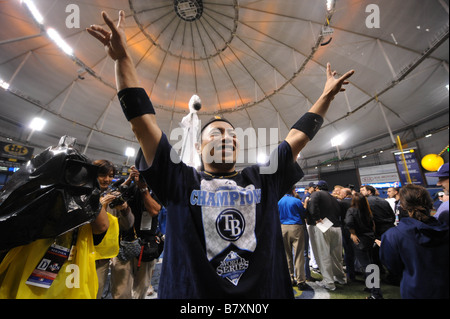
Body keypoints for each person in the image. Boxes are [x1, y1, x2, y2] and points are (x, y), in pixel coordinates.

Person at [87, 10, 354, 299]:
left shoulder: (261, 178)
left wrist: (326, 96)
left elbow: (297, 137)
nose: (225, 137)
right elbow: (142, 123)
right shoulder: (179, 179)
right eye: (215, 134)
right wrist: (123, 60)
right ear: (198, 147)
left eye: (231, 135)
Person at [0, 140, 119, 299]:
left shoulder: (29, 187)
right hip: (67, 263)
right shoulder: (83, 193)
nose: (107, 179)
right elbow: (102, 226)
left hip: (24, 260)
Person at [378, 184, 449, 299]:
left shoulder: (393, 235)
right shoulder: (444, 228)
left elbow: (393, 268)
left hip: (415, 290)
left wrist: (391, 246)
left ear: (403, 206)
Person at [94, 160, 135, 299]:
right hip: (82, 253)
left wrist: (124, 209)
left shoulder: (111, 197)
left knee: (96, 293)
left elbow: (128, 224)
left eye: (110, 175)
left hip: (102, 258)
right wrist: (100, 207)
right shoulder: (85, 195)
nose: (107, 179)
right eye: (102, 175)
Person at [120, 165, 163, 299]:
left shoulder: (157, 189)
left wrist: (143, 188)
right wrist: (129, 180)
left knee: (141, 290)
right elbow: (115, 196)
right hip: (125, 242)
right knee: (120, 290)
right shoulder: (130, 187)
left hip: (147, 245)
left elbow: (154, 211)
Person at [306, 180, 347, 291]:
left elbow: (312, 205)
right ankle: (341, 278)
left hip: (322, 225)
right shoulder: (333, 197)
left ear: (317, 187)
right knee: (337, 256)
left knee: (323, 255)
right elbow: (339, 211)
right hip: (336, 226)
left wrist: (316, 218)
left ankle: (329, 282)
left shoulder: (316, 194)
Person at [344, 193, 382, 299]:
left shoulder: (352, 210)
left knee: (367, 267)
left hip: (360, 240)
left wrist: (353, 234)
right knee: (370, 265)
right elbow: (373, 225)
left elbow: (349, 223)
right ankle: (371, 288)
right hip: (369, 239)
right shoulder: (367, 211)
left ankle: (376, 294)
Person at [278, 185, 309, 290]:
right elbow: (303, 214)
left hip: (283, 227)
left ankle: (290, 278)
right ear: (293, 190)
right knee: (299, 254)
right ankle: (301, 281)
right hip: (296, 227)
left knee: (287, 255)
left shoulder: (279, 201)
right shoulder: (296, 201)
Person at [339, 187, 356, 282]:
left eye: (341, 193)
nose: (340, 195)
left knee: (348, 253)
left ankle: (351, 275)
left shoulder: (342, 203)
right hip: (360, 230)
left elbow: (340, 216)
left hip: (347, 230)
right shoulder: (357, 201)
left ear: (345, 194)